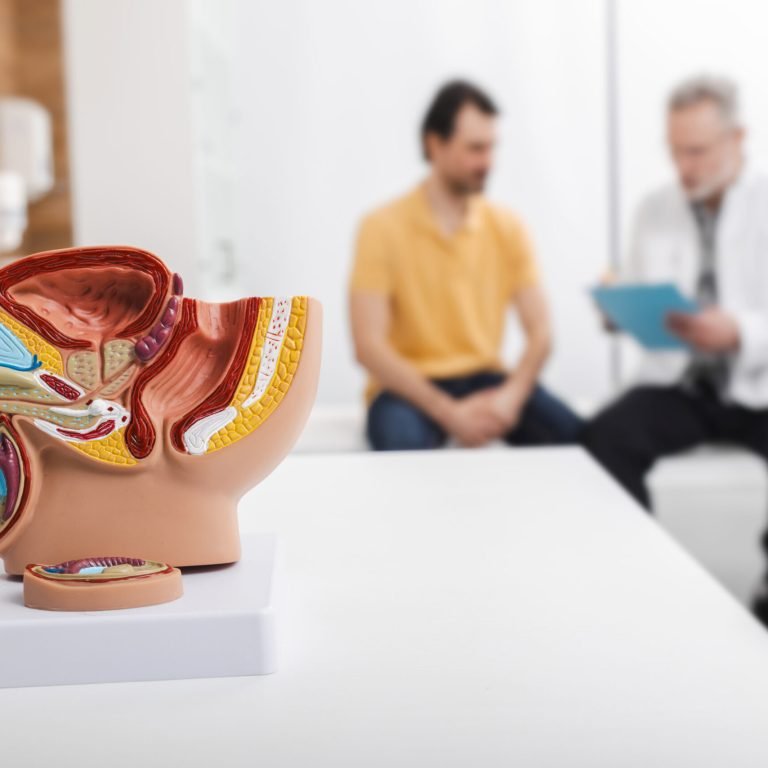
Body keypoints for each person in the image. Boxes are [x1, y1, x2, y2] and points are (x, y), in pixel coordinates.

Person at [582, 75, 768, 624]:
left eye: (697, 150)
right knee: (605, 436)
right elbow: (645, 293)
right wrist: (618, 311)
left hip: (756, 382)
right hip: (682, 383)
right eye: (674, 151)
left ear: (738, 138)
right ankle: (643, 581)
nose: (684, 166)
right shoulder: (653, 208)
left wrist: (738, 331)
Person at [349, 80, 582, 451]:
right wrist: (449, 412)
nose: (487, 161)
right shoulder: (380, 228)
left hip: (487, 380)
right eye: (475, 148)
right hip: (409, 388)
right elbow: (368, 346)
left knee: (580, 440)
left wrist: (512, 396)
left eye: (491, 148)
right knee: (402, 448)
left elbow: (541, 331)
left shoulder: (507, 227)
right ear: (434, 145)